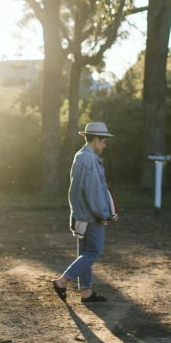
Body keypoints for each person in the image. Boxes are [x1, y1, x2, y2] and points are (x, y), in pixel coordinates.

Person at [52, 121, 114, 304]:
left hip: (81, 214)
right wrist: (103, 214)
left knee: (85, 252)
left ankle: (86, 291)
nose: (104, 145)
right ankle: (62, 281)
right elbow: (93, 190)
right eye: (103, 141)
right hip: (91, 215)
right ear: (95, 139)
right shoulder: (89, 159)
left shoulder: (80, 156)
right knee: (94, 252)